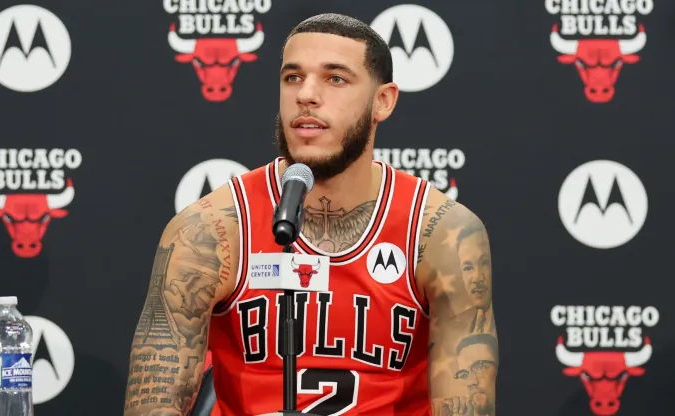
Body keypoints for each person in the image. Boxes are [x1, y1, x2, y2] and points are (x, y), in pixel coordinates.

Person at [123, 13, 498, 416]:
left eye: (335, 78)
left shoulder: (441, 234)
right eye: (293, 78)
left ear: (383, 101)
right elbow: (153, 406)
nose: (306, 95)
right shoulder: (211, 230)